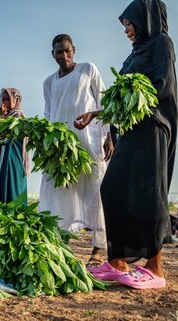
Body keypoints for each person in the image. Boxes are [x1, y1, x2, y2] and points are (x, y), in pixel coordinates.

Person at [74, 0, 177, 289]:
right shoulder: (135, 54)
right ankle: (118, 262)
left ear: (145, 20)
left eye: (129, 24)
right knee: (112, 187)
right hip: (132, 128)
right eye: (125, 26)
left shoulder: (161, 43)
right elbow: (121, 94)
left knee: (149, 193)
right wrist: (97, 113)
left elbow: (163, 85)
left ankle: (156, 269)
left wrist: (135, 97)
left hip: (154, 126)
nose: (127, 30)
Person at [39, 34, 114, 267]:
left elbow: (105, 103)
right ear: (52, 55)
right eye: (59, 52)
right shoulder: (49, 82)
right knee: (57, 191)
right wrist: (46, 143)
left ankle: (98, 248)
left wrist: (110, 135)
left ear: (74, 50)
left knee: (95, 192)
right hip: (61, 148)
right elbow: (48, 115)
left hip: (88, 143)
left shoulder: (88, 70)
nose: (64, 55)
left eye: (67, 50)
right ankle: (59, 243)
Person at [0, 88, 30, 204]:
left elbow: (12, 134)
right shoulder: (5, 116)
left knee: (12, 182)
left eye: (8, 100)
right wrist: (2, 117)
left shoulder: (18, 115)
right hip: (4, 153)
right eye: (3, 100)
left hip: (13, 155)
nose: (5, 103)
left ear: (15, 100)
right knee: (1, 180)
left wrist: (3, 120)